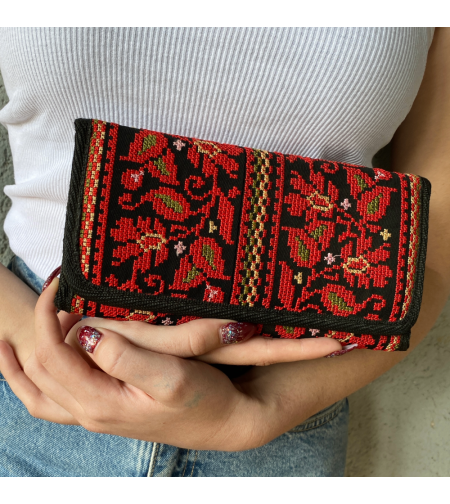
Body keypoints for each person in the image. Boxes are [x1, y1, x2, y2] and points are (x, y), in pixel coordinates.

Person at [0, 27, 449, 477]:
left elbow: (435, 237)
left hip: (283, 415)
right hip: (37, 377)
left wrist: (260, 411)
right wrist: (35, 338)